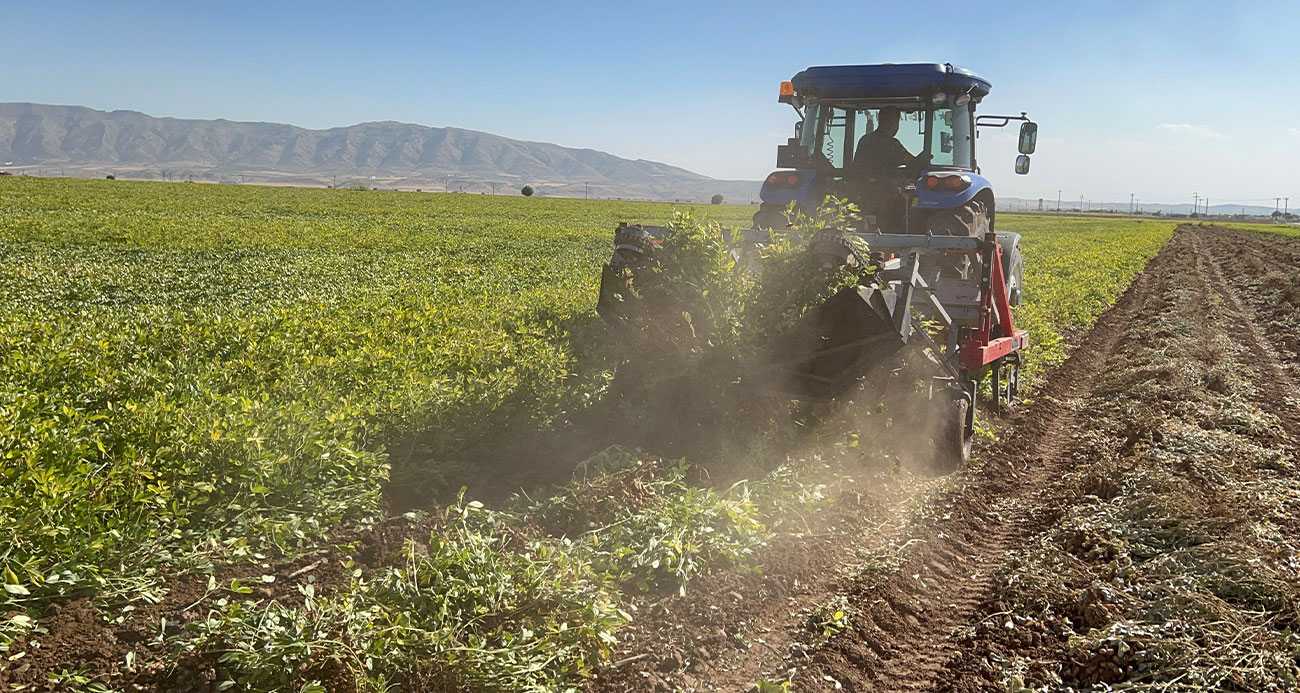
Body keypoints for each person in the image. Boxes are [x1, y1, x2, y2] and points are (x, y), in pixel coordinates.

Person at [851, 107, 929, 171]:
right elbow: (911, 161)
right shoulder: (891, 144)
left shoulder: (864, 140)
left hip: (858, 187)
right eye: (897, 123)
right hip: (883, 187)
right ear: (893, 122)